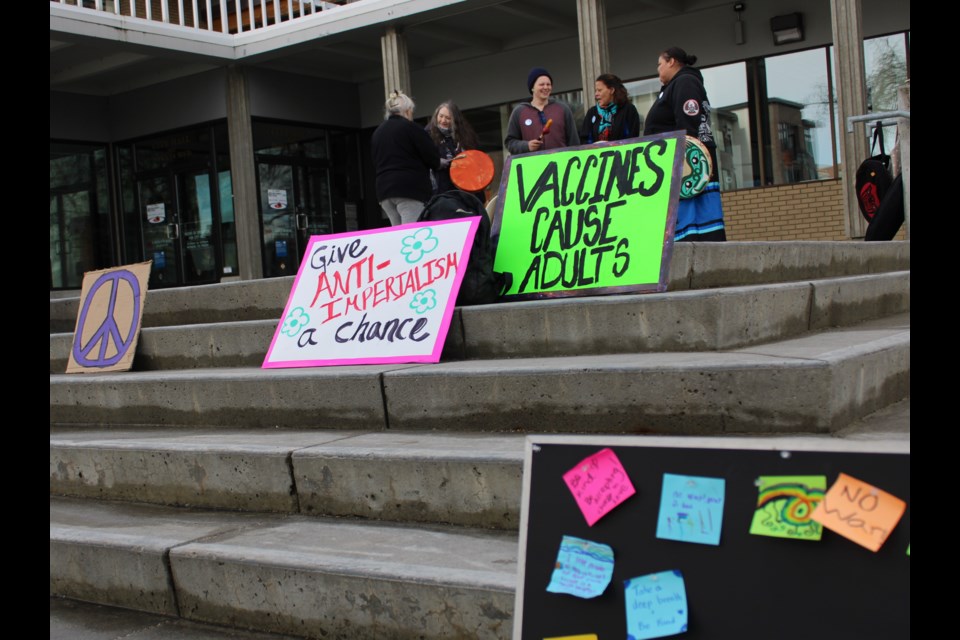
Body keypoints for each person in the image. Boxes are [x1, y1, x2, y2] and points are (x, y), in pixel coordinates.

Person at [644, 47, 727, 241]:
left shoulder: (685, 82)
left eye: (660, 64)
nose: (658, 69)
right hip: (679, 166)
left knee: (697, 225)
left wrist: (684, 161)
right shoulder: (676, 84)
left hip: (688, 168)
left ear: (671, 61)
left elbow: (688, 123)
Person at [370, 90, 441, 226]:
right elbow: (432, 158)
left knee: (398, 235)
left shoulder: (377, 133)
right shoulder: (411, 128)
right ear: (408, 111)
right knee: (411, 235)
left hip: (384, 191)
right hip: (409, 188)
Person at [504, 67, 580, 155]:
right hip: (532, 166)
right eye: (541, 84)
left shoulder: (562, 109)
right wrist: (526, 146)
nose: (546, 87)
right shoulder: (519, 111)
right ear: (532, 87)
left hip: (561, 165)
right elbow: (510, 143)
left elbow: (574, 142)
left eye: (548, 84)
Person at [425, 100, 483, 198]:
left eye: (448, 118)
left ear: (455, 120)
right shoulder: (427, 134)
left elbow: (476, 156)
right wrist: (436, 162)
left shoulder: (465, 135)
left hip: (466, 186)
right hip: (440, 188)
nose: (443, 120)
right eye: (441, 116)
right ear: (436, 116)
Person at [580, 73, 642, 143]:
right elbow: (584, 139)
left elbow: (632, 138)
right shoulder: (592, 112)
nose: (596, 94)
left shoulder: (628, 110)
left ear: (612, 90)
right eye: (596, 90)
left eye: (599, 90)